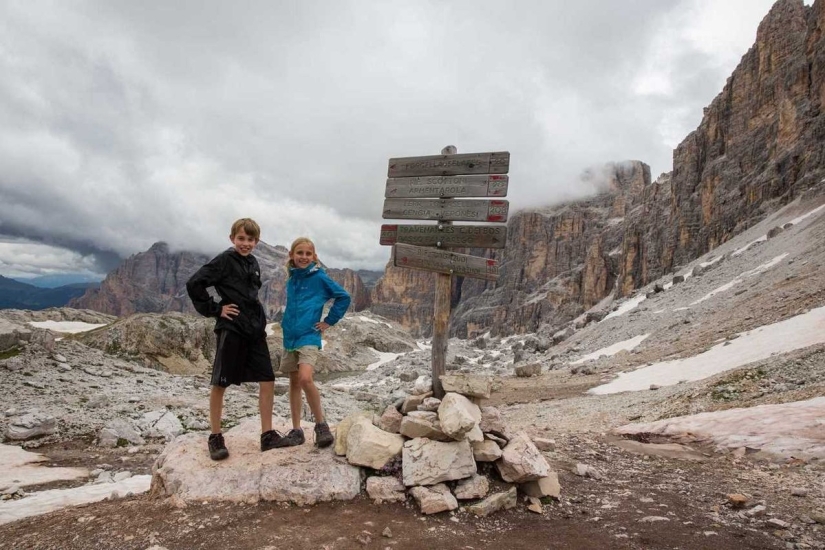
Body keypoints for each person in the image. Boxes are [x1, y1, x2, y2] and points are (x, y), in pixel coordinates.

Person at [186, 218, 281, 460]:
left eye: (250, 240)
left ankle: (267, 435)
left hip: (254, 329)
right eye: (241, 239)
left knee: (267, 378)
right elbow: (194, 283)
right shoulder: (224, 260)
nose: (245, 243)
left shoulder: (253, 262)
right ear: (232, 239)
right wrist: (216, 309)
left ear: (256, 242)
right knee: (221, 381)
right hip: (232, 328)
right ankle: (215, 437)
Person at [274, 237, 351, 448]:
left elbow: (343, 297)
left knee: (305, 379)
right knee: (293, 383)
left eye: (308, 254)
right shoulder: (292, 279)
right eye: (300, 253)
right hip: (290, 336)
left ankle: (321, 425)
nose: (304, 257)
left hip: (309, 335)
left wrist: (328, 321)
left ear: (314, 257)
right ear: (292, 255)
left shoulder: (319, 277)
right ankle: (297, 429)